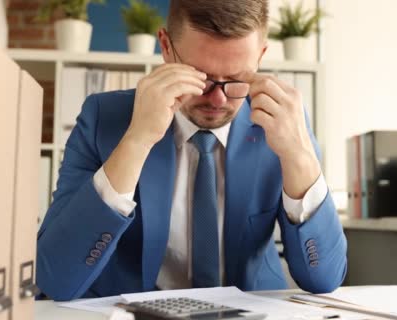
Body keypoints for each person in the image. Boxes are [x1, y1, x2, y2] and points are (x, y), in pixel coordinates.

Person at [36, 0, 347, 301]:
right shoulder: (103, 118)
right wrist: (137, 140)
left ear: (260, 56)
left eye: (237, 79)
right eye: (201, 77)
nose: (218, 101)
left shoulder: (280, 122)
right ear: (166, 47)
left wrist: (300, 157)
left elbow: (325, 278)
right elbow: (56, 279)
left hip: (252, 307)